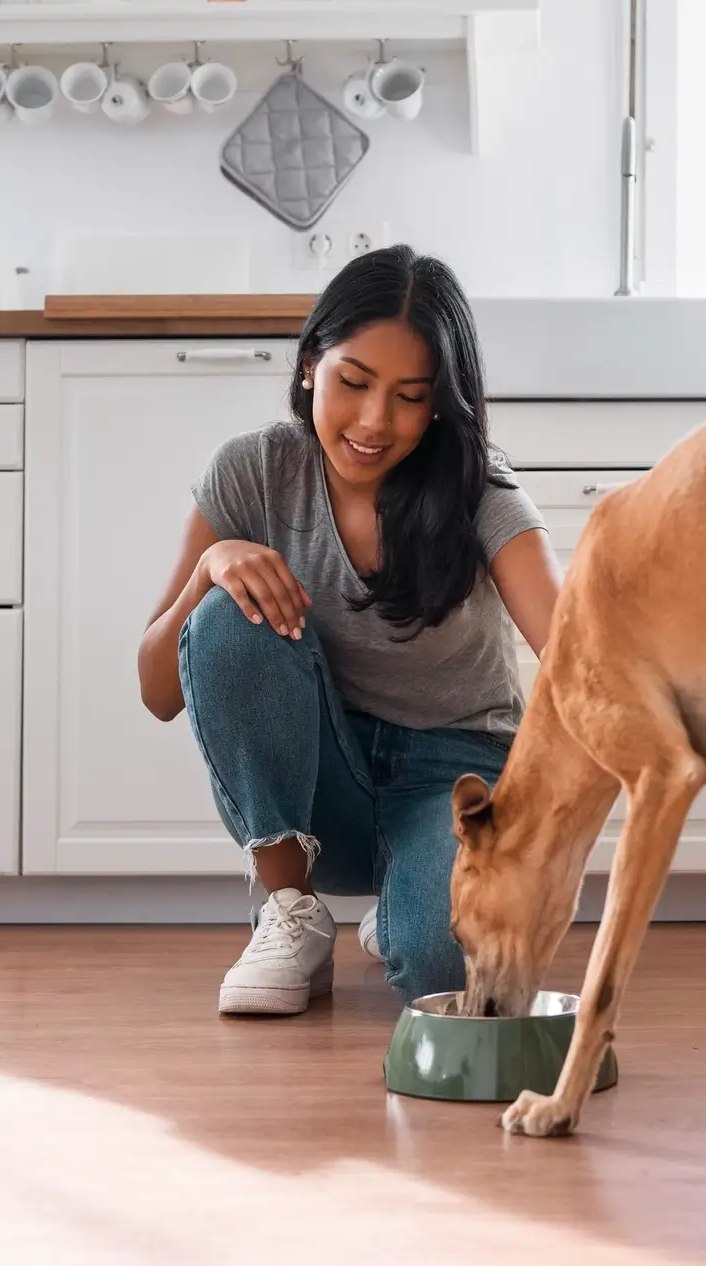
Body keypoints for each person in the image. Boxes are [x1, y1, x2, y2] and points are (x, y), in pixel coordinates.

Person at [136, 246, 561, 1015]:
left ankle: (406, 903)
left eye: (409, 396)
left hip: (454, 773)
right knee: (227, 610)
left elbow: (573, 655)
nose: (373, 422)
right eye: (353, 383)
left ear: (441, 403)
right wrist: (209, 571)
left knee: (444, 967)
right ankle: (290, 911)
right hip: (316, 784)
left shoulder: (481, 488)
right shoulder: (253, 472)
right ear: (309, 366)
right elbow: (158, 692)